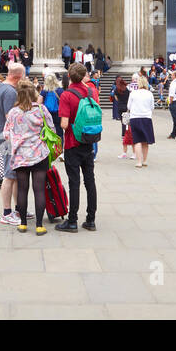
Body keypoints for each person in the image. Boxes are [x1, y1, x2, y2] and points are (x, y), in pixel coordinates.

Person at [6, 78, 53, 235]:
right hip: (39, 154)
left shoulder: (13, 112)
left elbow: (6, 134)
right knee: (39, 190)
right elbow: (51, 128)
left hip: (20, 156)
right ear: (34, 92)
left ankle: (23, 224)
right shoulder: (41, 110)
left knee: (22, 190)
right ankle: (39, 225)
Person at [56, 62, 98, 232]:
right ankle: (91, 219)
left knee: (74, 182)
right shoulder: (91, 91)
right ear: (84, 75)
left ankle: (72, 220)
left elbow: (64, 124)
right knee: (90, 180)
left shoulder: (66, 95)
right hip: (89, 141)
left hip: (73, 143)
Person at [0, 63, 26, 226]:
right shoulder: (9, 92)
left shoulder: (3, 87)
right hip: (8, 139)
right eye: (24, 75)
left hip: (7, 137)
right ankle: (7, 213)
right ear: (18, 76)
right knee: (9, 175)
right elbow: (11, 117)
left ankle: (19, 209)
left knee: (14, 175)